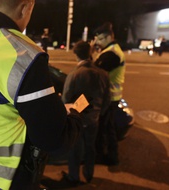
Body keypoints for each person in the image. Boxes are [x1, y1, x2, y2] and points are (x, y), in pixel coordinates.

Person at [0, 0, 82, 189]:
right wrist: (75, 115)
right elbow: (54, 139)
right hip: (11, 177)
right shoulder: (23, 57)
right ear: (26, 7)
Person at [61, 40, 110, 186]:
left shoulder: (74, 75)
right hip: (94, 120)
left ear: (76, 55)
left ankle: (73, 176)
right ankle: (89, 174)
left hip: (77, 119)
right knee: (90, 147)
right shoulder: (103, 74)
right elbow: (107, 99)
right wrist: (98, 114)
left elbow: (65, 99)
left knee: (75, 149)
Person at [93, 22, 125, 166]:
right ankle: (111, 156)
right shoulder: (110, 50)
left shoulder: (112, 54)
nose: (97, 42)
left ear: (107, 37)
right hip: (111, 97)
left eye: (99, 39)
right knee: (108, 127)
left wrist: (91, 52)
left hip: (110, 97)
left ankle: (110, 157)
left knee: (105, 128)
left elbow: (94, 71)